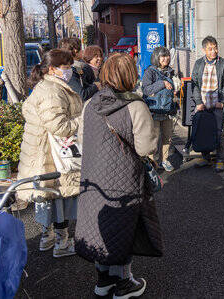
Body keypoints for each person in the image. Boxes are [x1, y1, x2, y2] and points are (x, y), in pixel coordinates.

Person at [75, 53, 162, 299]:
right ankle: (124, 284)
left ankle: (103, 281)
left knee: (100, 227)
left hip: (93, 177)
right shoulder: (136, 106)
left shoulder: (91, 104)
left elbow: (83, 140)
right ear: (131, 76)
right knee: (123, 228)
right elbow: (145, 148)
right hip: (125, 178)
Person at [18, 49, 83, 257]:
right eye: (66, 67)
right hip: (50, 154)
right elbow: (60, 127)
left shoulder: (47, 86)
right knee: (58, 196)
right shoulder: (52, 91)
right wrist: (84, 119)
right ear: (52, 69)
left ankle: (48, 238)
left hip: (41, 151)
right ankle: (61, 243)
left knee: (47, 197)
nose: (69, 71)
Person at [190, 36, 224, 169]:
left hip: (217, 104)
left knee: (219, 133)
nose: (214, 51)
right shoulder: (198, 63)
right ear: (204, 50)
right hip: (203, 104)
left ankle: (220, 160)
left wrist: (222, 101)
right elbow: (194, 84)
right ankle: (206, 158)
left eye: (215, 48)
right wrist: (198, 102)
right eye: (210, 49)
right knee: (204, 130)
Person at [141, 46, 178, 172]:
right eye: (163, 56)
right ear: (157, 57)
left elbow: (173, 88)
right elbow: (146, 90)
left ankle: (164, 160)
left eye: (167, 55)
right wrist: (162, 83)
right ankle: (151, 162)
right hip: (154, 110)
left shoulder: (171, 71)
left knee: (167, 137)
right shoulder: (150, 72)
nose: (166, 58)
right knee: (153, 138)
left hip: (168, 110)